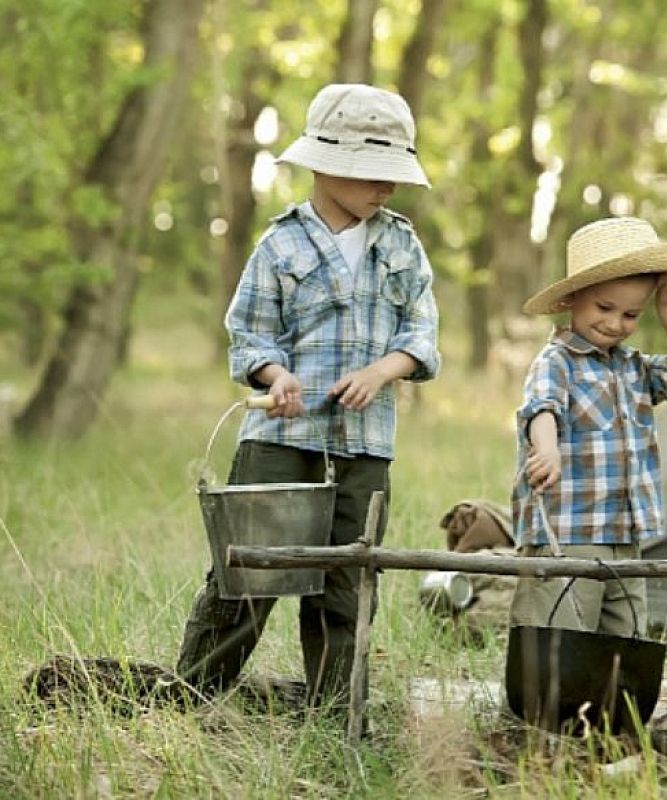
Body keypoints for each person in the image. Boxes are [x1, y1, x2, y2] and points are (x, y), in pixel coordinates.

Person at [176, 84, 441, 715]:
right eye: (373, 173)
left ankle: (336, 714)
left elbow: (421, 333)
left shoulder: (401, 245)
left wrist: (384, 370)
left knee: (349, 579)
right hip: (280, 441)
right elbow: (249, 333)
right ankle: (194, 699)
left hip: (364, 443)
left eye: (393, 175)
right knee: (248, 570)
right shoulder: (279, 245)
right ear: (325, 166)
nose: (387, 188)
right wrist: (276, 376)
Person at [509, 217, 667, 637]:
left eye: (630, 315)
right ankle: (541, 705)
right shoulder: (557, 361)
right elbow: (542, 408)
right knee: (558, 631)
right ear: (572, 299)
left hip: (625, 531)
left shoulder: (632, 366)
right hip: (568, 531)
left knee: (625, 634)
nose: (614, 323)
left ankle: (611, 704)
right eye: (604, 308)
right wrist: (546, 449)